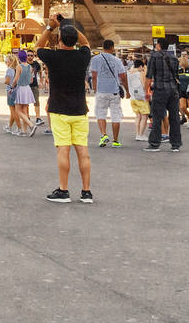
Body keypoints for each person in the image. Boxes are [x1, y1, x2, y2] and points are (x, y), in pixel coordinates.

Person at [36, 16, 94, 203]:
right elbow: (86, 43)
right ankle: (86, 192)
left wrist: (50, 27)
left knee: (63, 150)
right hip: (79, 109)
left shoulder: (53, 57)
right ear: (75, 40)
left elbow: (38, 46)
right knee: (82, 151)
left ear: (59, 40)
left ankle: (64, 189)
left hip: (59, 108)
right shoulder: (82, 56)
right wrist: (66, 26)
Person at [144, 39, 183, 152]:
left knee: (157, 116)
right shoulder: (174, 58)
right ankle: (175, 144)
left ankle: (154, 143)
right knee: (174, 117)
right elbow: (176, 75)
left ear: (159, 45)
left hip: (160, 89)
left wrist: (145, 91)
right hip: (173, 90)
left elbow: (149, 75)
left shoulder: (154, 56)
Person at [88, 40, 127, 148]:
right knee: (116, 116)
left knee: (101, 114)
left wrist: (95, 89)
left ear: (103, 47)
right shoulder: (117, 60)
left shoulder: (95, 59)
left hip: (101, 91)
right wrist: (127, 90)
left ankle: (104, 135)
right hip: (114, 91)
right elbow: (123, 76)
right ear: (112, 48)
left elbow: (94, 76)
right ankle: (115, 140)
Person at [127, 59, 150, 141]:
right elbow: (144, 85)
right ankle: (141, 134)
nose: (142, 69)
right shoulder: (140, 73)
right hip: (141, 98)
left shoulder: (129, 73)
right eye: (142, 68)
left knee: (138, 116)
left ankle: (137, 134)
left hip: (133, 97)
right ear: (140, 66)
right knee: (144, 117)